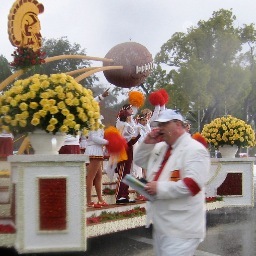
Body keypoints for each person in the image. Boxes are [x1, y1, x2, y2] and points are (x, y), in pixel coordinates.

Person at [134, 109, 210, 256]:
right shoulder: (161, 147)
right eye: (159, 124)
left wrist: (159, 188)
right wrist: (148, 143)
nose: (160, 128)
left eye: (164, 124)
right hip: (163, 225)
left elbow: (192, 185)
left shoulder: (195, 150)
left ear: (178, 125)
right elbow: (139, 161)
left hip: (183, 228)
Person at [115, 109, 141, 204]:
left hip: (127, 149)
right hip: (124, 150)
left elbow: (130, 140)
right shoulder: (124, 125)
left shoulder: (124, 125)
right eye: (130, 115)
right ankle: (120, 195)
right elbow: (128, 140)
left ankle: (124, 194)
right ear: (126, 117)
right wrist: (137, 135)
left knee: (126, 173)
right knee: (123, 173)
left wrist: (137, 136)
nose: (131, 117)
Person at [85, 115, 109, 208]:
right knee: (91, 177)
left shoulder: (97, 120)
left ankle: (100, 199)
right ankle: (89, 200)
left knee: (98, 176)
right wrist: (108, 142)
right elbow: (94, 138)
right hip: (93, 150)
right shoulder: (93, 121)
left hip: (97, 150)